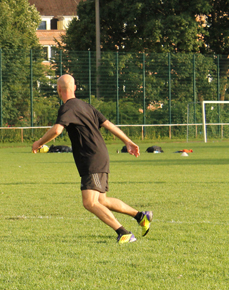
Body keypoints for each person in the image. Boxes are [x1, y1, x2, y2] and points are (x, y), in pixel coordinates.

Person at [32, 74, 153, 244]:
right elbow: (108, 124)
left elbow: (57, 130)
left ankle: (124, 233)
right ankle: (140, 216)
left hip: (92, 158)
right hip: (99, 155)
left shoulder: (68, 107)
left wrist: (39, 142)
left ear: (58, 90)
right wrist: (127, 141)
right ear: (74, 88)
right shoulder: (87, 106)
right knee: (101, 200)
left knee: (89, 202)